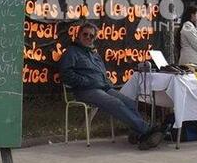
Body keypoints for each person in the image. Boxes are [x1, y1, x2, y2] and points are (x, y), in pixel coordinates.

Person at [59, 22, 163, 150]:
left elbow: (102, 71)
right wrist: (85, 81)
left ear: (94, 38)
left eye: (91, 36)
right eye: (85, 34)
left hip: (103, 87)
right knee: (115, 103)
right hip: (85, 90)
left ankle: (138, 133)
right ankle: (146, 130)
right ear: (79, 35)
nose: (87, 37)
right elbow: (66, 74)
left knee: (130, 103)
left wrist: (107, 81)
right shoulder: (71, 52)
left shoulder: (94, 54)